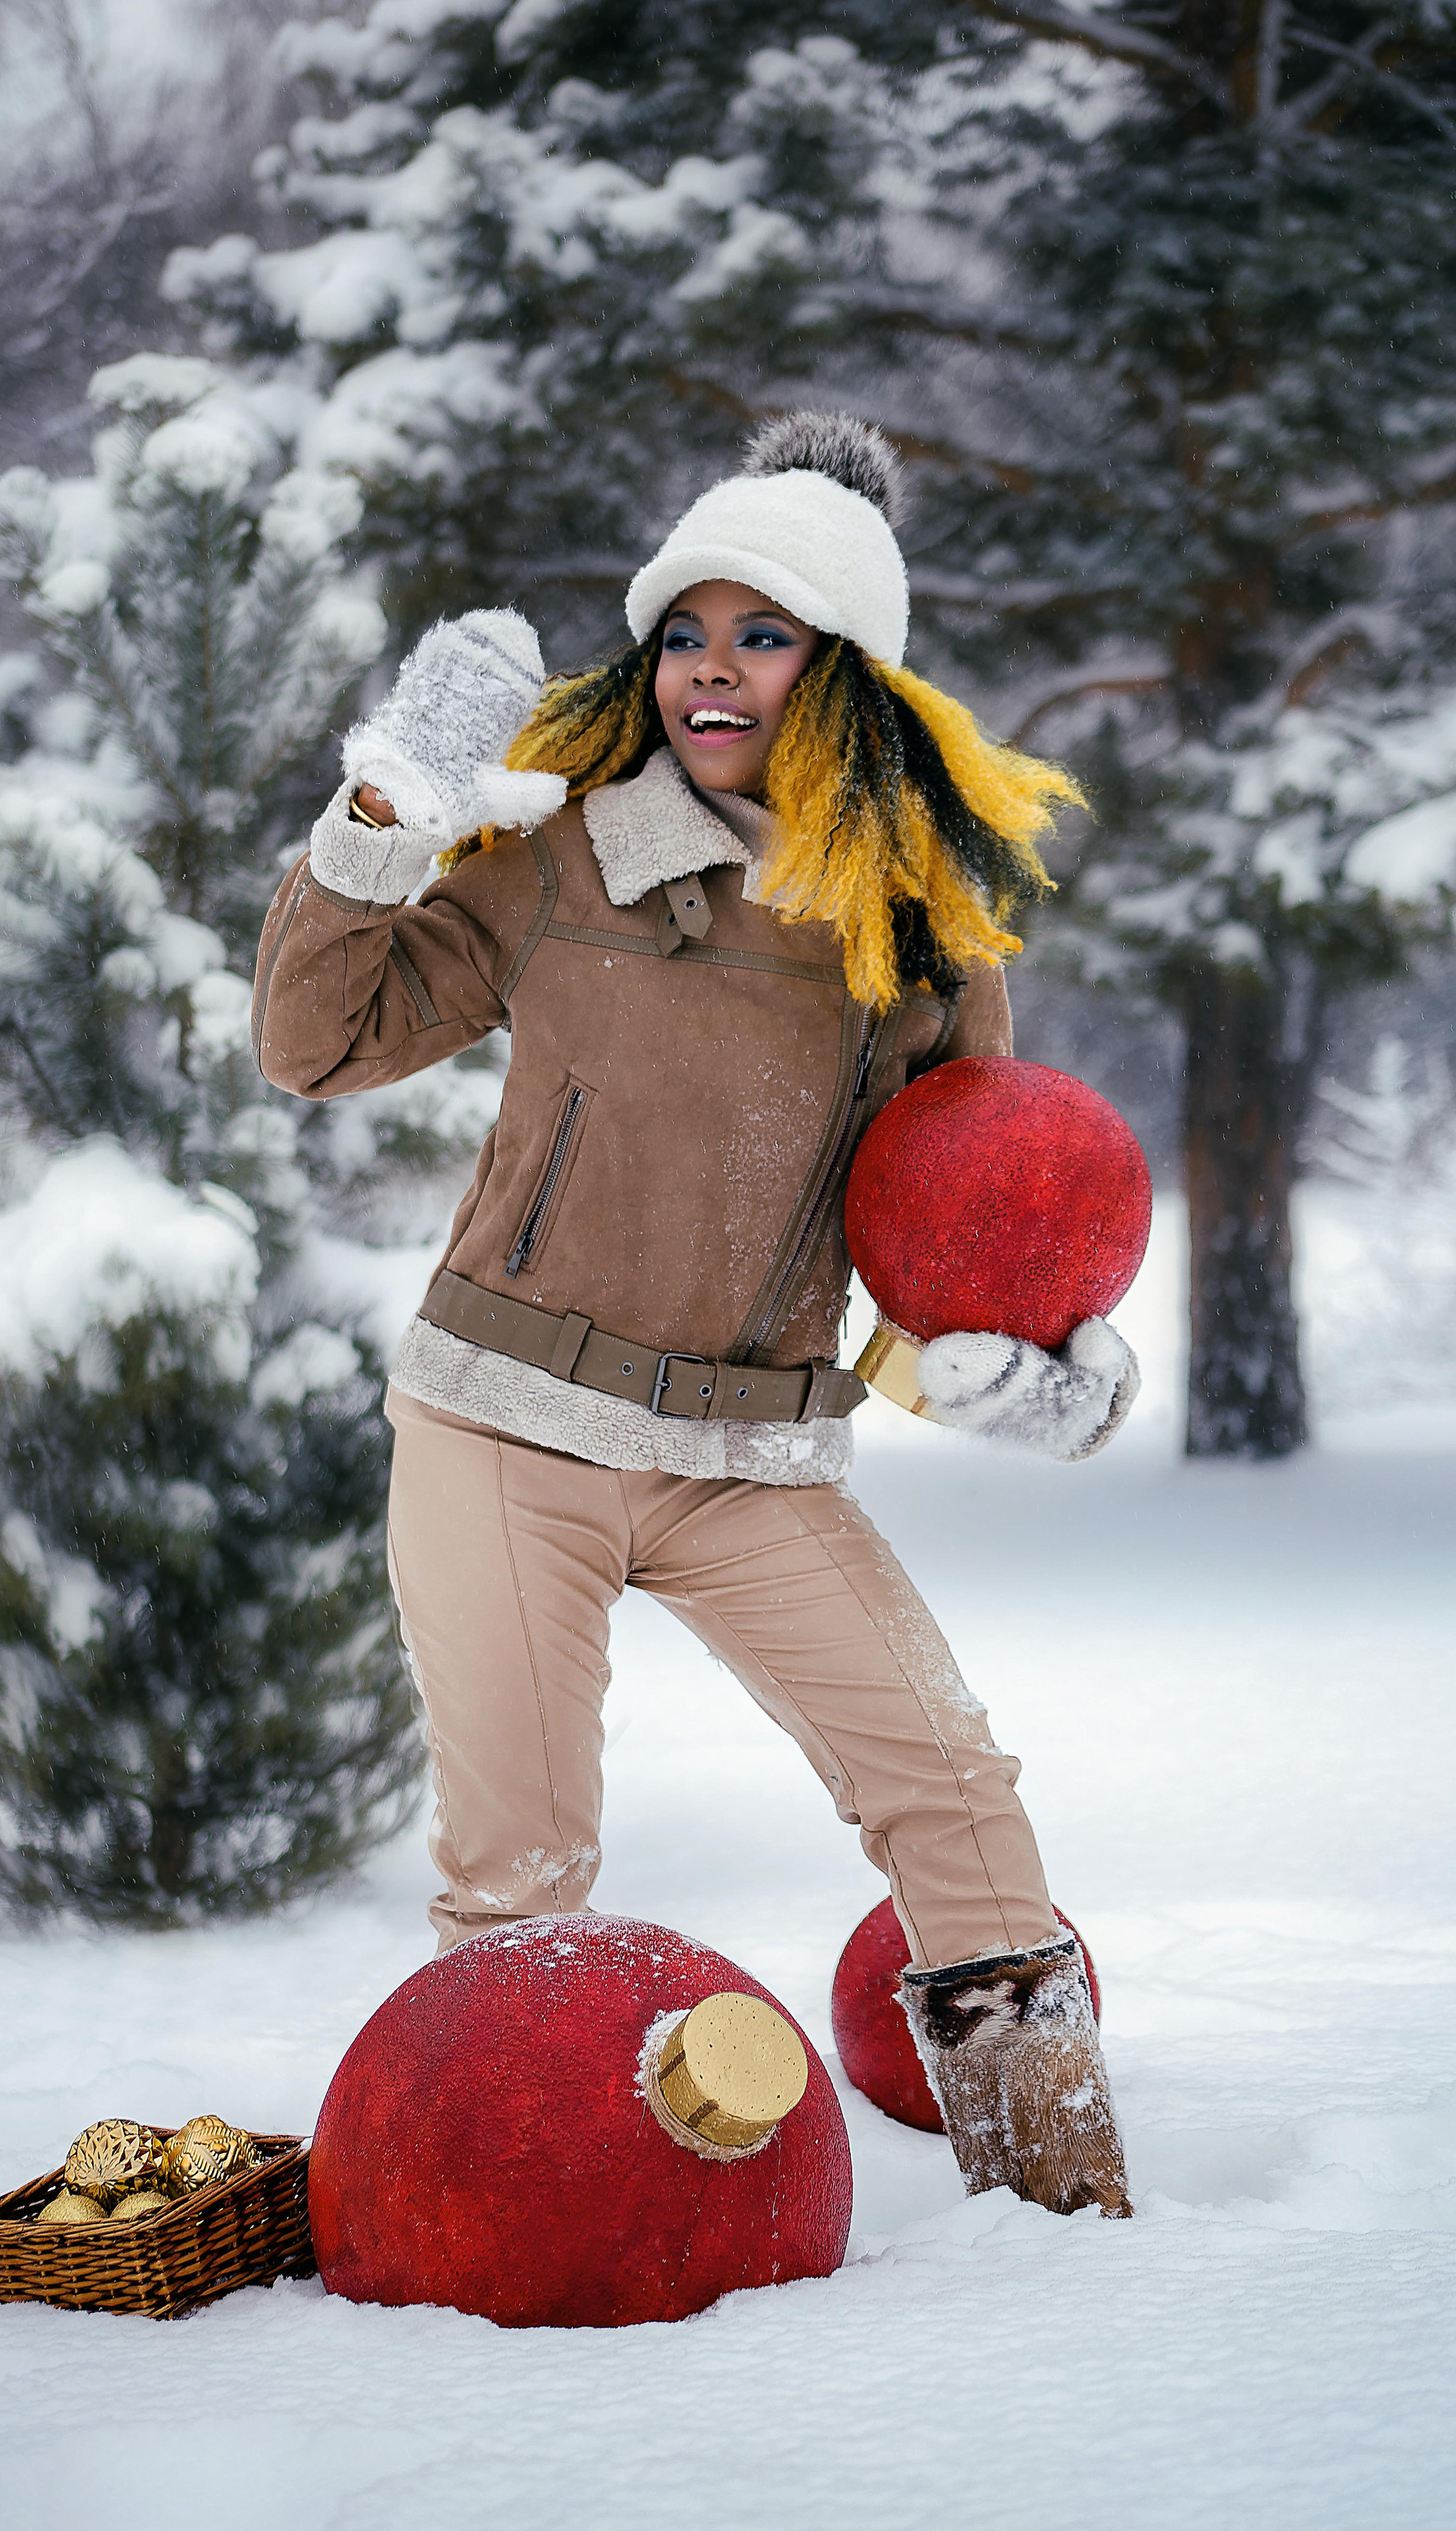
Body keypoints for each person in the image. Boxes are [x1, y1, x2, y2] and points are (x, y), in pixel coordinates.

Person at [253, 414, 1139, 2218]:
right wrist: (385, 815)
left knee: (955, 1794)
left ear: (850, 678)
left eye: (766, 633)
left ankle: (1063, 2210)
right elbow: (312, 1040)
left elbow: (958, 1223)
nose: (713, 668)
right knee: (521, 1878)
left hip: (751, 1461)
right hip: (504, 1427)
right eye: (686, 629)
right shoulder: (562, 853)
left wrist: (1024, 1365)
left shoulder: (919, 927)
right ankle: (508, 2232)